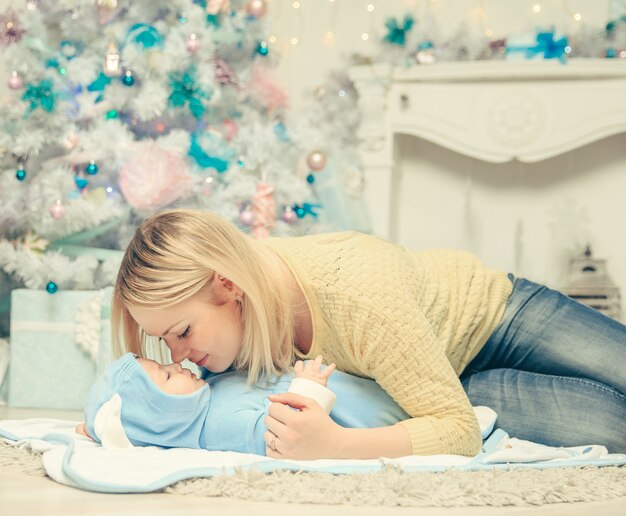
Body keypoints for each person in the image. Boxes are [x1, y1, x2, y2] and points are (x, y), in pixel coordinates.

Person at [111, 209, 626, 459]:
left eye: (181, 333)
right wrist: (113, 423)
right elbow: (174, 408)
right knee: (616, 426)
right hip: (458, 385)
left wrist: (335, 444)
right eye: (164, 343)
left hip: (497, 313)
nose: (180, 358)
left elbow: (457, 433)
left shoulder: (354, 291)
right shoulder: (226, 334)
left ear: (229, 285)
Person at [77, 354, 415, 455]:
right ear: (159, 418)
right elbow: (287, 438)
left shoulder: (204, 397)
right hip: (375, 413)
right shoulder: (220, 427)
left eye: (164, 365)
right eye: (166, 377)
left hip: (375, 379)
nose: (176, 365)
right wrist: (309, 388)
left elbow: (121, 423)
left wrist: (94, 429)